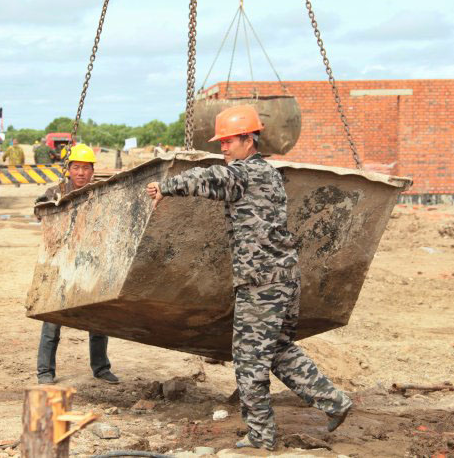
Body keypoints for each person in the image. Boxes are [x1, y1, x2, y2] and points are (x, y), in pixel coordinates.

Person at [145, 105, 352, 451]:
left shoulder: (241, 174)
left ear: (248, 139)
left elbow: (210, 179)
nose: (223, 148)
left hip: (261, 283)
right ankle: (334, 401)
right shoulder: (269, 174)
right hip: (285, 278)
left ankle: (260, 435)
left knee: (248, 360)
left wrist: (167, 187)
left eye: (229, 141)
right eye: (221, 142)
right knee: (279, 350)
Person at [35, 143, 119, 385]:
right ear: (68, 169)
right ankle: (45, 372)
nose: (81, 173)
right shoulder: (56, 191)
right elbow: (39, 211)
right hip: (61, 266)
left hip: (92, 265)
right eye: (76, 168)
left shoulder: (99, 192)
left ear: (92, 171)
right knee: (52, 321)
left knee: (99, 319)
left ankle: (101, 367)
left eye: (85, 168)